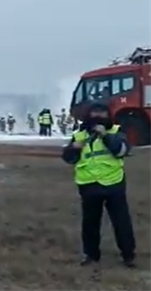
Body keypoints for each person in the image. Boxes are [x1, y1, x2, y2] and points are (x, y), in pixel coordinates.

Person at [61, 102, 136, 267]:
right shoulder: (80, 135)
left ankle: (128, 255)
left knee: (121, 222)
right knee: (90, 223)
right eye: (94, 114)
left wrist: (105, 136)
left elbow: (122, 151)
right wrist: (74, 148)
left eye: (102, 114)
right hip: (88, 184)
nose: (98, 118)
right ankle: (91, 255)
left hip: (113, 183)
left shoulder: (116, 132)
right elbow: (68, 158)